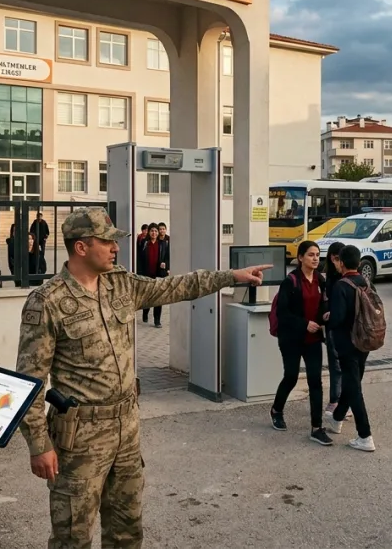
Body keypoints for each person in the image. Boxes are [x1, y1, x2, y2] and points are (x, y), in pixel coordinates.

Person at [15, 206, 269, 548]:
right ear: (81, 247)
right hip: (79, 437)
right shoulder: (47, 302)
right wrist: (39, 445)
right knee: (72, 535)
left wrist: (230, 277)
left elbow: (175, 287)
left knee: (127, 529)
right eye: (107, 242)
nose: (116, 248)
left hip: (126, 427)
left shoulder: (120, 284)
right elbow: (28, 381)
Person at [269, 241, 332, 446]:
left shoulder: (320, 279)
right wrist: (305, 324)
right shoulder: (291, 281)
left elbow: (323, 303)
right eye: (311, 255)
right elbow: (283, 313)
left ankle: (316, 428)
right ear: (300, 258)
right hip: (291, 338)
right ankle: (277, 410)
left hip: (313, 339)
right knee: (291, 377)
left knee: (316, 381)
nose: (315, 258)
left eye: (318, 255)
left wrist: (325, 314)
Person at [322, 244, 376, 452]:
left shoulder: (341, 286)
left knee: (353, 385)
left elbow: (338, 318)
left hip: (347, 342)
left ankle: (365, 435)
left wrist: (328, 318)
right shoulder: (365, 282)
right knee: (352, 379)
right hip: (365, 339)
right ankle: (336, 419)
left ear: (341, 263)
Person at [323, 241, 346, 418]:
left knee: (346, 367)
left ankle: (344, 402)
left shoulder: (350, 278)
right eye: (332, 258)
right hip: (332, 327)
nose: (335, 262)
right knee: (335, 365)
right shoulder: (328, 278)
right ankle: (334, 400)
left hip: (347, 327)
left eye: (338, 259)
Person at [137, 222, 170, 328]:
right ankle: (145, 312)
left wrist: (166, 264)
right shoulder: (144, 243)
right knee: (147, 296)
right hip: (146, 274)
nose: (154, 233)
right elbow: (139, 259)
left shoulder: (162, 243)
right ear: (149, 232)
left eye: (156, 231)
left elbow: (167, 257)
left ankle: (157, 320)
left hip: (158, 274)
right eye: (152, 231)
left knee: (158, 298)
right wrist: (140, 273)